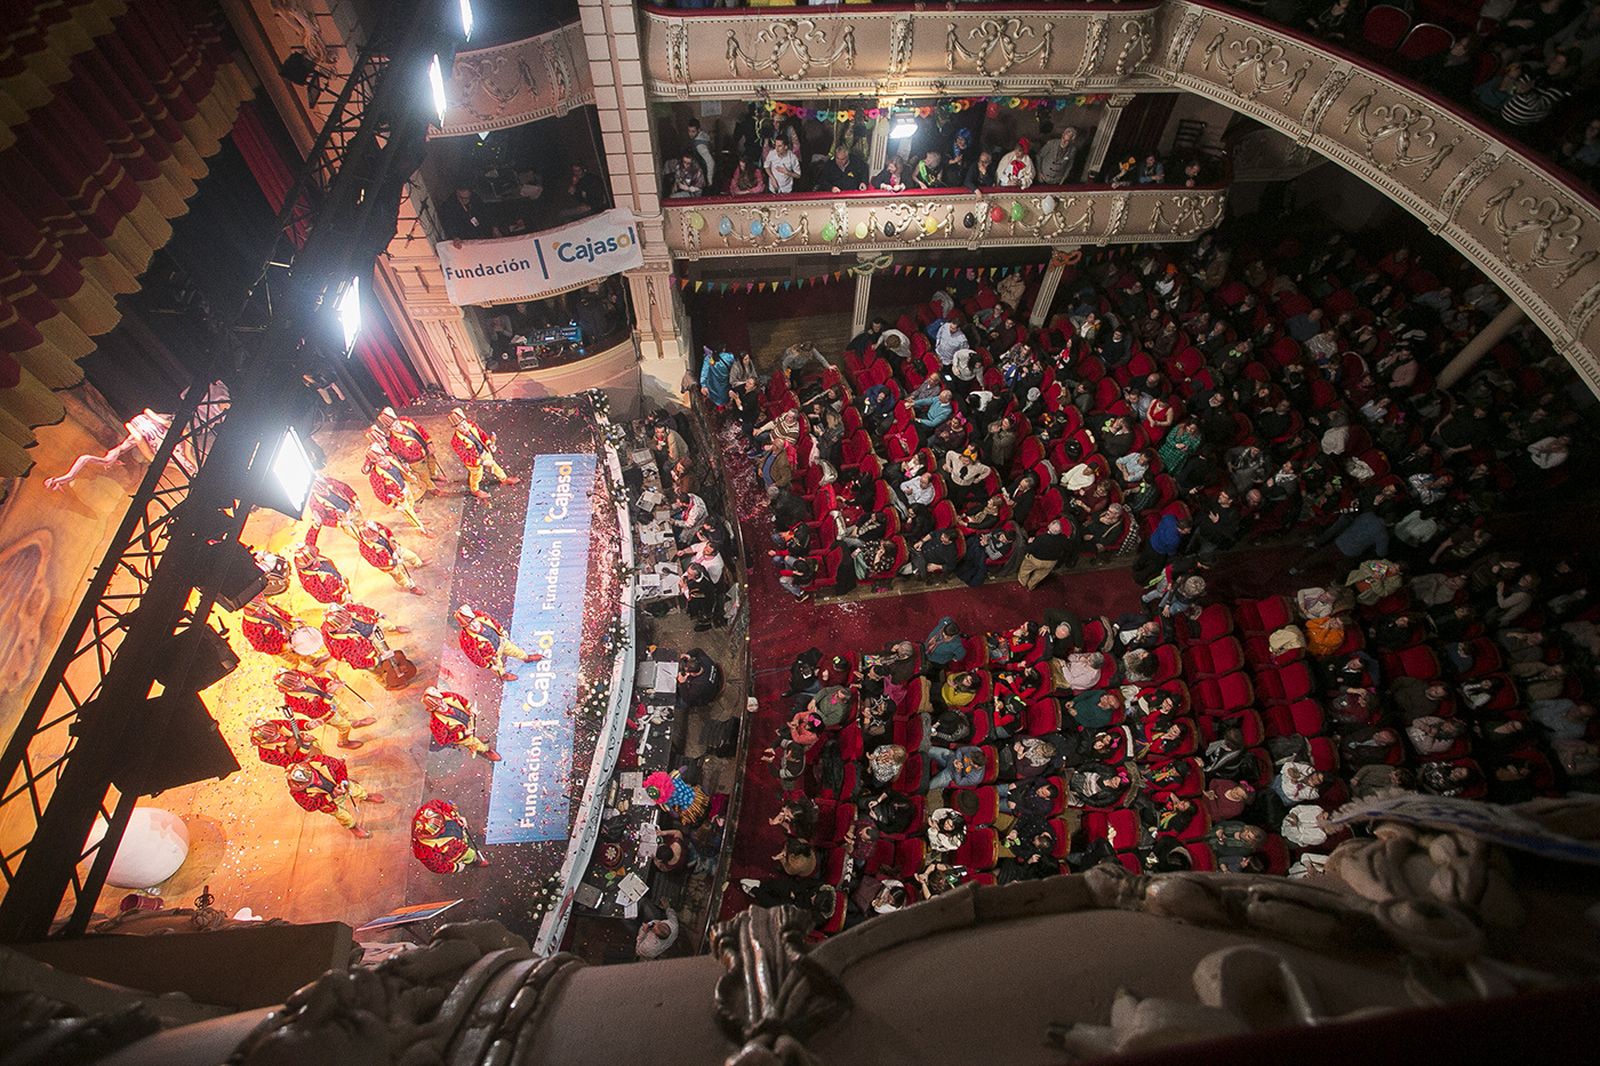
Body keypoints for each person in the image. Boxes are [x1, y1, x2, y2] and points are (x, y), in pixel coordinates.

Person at [274, 668, 375, 749]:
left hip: (330, 698)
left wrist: (330, 683)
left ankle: (355, 723)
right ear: (288, 689)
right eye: (297, 685)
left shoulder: (300, 676)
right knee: (344, 726)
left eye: (300, 680)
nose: (302, 684)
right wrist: (329, 693)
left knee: (345, 710)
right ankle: (343, 742)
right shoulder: (292, 701)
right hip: (325, 714)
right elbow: (316, 711)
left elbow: (318, 681)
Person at [286, 754, 384, 838]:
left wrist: (342, 782)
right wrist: (332, 795)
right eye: (307, 783)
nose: (313, 781)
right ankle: (353, 827)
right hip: (331, 803)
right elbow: (310, 806)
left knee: (357, 790)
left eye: (312, 777)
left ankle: (366, 796)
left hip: (343, 786)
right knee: (344, 817)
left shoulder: (319, 760)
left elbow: (339, 766)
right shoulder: (297, 792)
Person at [455, 603, 542, 680]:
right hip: (493, 657)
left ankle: (526, 657)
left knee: (516, 650)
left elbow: (492, 621)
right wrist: (489, 666)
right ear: (465, 627)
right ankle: (503, 675)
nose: (474, 626)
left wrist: (501, 630)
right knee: (498, 668)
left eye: (474, 622)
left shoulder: (481, 616)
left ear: (476, 618)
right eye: (469, 626)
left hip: (501, 641)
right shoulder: (467, 639)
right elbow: (474, 657)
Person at [449, 407, 520, 499]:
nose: (465, 427)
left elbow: (482, 434)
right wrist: (481, 462)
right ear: (456, 428)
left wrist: (489, 444)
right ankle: (475, 490)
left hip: (483, 451)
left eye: (464, 423)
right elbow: (465, 457)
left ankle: (504, 479)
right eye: (461, 426)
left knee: (494, 465)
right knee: (477, 476)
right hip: (474, 462)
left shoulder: (471, 425)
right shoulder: (456, 442)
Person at [363, 442, 429, 535]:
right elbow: (380, 494)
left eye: (383, 457)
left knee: (411, 503)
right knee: (408, 512)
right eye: (380, 461)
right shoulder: (375, 476)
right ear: (375, 463)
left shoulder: (391, 459)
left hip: (405, 487)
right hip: (397, 498)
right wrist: (394, 505)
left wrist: (409, 473)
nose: (384, 461)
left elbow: (401, 468)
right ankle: (420, 528)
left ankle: (417, 519)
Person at [375, 406, 446, 492]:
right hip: (417, 461)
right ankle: (431, 488)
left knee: (432, 463)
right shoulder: (394, 441)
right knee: (424, 474)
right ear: (389, 429)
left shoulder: (406, 421)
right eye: (393, 427)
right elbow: (406, 455)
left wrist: (429, 442)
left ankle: (434, 475)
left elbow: (420, 429)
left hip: (426, 449)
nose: (397, 427)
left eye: (396, 423)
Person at [423, 686, 500, 761]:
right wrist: (463, 733)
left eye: (442, 702)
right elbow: (443, 740)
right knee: (472, 742)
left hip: (468, 720)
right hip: (462, 735)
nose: (443, 707)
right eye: (438, 707)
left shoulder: (448, 696)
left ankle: (475, 739)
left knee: (473, 732)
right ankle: (485, 751)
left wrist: (470, 707)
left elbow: (460, 699)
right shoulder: (436, 723)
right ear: (432, 710)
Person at [412, 798, 487, 872]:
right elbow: (437, 866)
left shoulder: (429, 808)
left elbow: (440, 804)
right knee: (470, 856)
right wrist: (455, 867)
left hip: (458, 834)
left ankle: (466, 842)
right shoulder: (424, 850)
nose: (444, 829)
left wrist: (456, 816)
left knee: (465, 837)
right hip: (458, 853)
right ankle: (472, 860)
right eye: (440, 831)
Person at [356, 519, 426, 595]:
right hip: (388, 564)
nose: (377, 537)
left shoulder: (376, 526)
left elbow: (387, 530)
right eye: (374, 537)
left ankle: (418, 563)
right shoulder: (365, 548)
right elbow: (376, 562)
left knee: (411, 556)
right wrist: (395, 561)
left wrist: (392, 541)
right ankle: (411, 587)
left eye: (377, 534)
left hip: (395, 550)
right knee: (399, 576)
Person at [1017, 519, 1074, 590]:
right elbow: (1068, 548)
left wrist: (1030, 542)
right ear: (1060, 531)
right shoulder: (1063, 539)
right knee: (1039, 576)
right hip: (1050, 562)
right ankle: (1031, 586)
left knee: (1025, 570)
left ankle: (1023, 582)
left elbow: (1030, 550)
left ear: (1049, 526)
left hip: (1035, 560)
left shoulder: (1041, 538)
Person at [293, 540, 350, 605]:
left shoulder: (305, 561)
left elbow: (310, 541)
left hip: (336, 581)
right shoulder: (311, 582)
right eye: (314, 560)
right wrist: (341, 597)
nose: (318, 560)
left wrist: (314, 529)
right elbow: (323, 597)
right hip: (334, 593)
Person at [686, 118, 715, 187]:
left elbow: (710, 162)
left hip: (703, 172)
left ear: (698, 130)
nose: (691, 134)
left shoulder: (699, 145)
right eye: (689, 131)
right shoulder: (703, 136)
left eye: (693, 131)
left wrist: (709, 180)